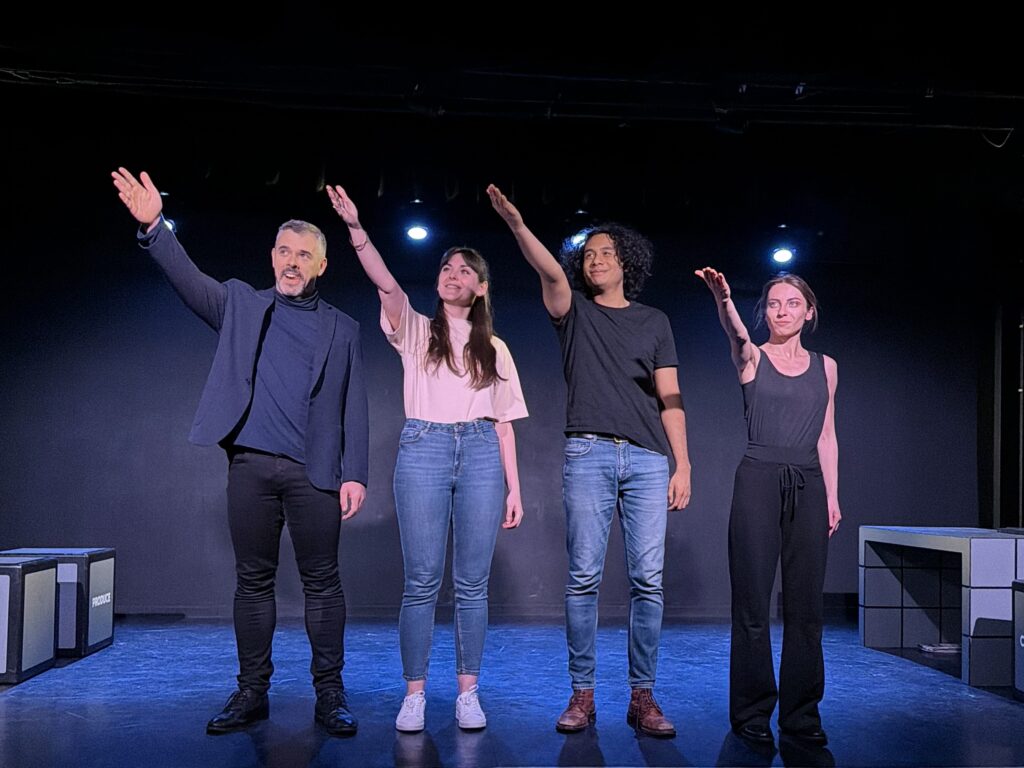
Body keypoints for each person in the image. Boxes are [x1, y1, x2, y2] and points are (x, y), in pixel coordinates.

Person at [112, 168, 368, 737]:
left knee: (323, 583)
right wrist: (154, 225)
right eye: (284, 251)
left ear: (322, 265)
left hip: (317, 472)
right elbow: (186, 278)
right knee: (252, 581)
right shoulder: (240, 305)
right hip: (250, 466)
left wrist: (357, 473)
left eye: (305, 254)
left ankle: (331, 695)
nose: (292, 262)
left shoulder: (343, 329)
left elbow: (355, 405)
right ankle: (252, 691)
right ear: (272, 256)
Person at [488, 185, 690, 738]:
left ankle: (642, 697)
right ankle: (582, 694)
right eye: (588, 255)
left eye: (605, 253)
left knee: (648, 579)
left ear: (625, 262)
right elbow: (551, 274)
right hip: (589, 453)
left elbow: (670, 398)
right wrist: (517, 224)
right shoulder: (571, 310)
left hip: (649, 459)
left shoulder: (655, 321)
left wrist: (684, 464)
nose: (595, 260)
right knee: (583, 579)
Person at [326, 184, 527, 733]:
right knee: (420, 580)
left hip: (483, 451)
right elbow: (386, 282)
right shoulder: (416, 328)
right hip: (425, 447)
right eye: (447, 268)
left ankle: (468, 692)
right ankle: (414, 693)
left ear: (480, 287)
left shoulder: (496, 347)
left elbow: (504, 423)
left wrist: (515, 488)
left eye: (464, 270)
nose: (452, 274)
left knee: (472, 583)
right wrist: (357, 229)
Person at [695, 267, 840, 747]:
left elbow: (826, 434)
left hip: (810, 485)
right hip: (758, 479)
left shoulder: (828, 367)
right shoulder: (753, 358)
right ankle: (752, 711)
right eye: (774, 304)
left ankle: (801, 714)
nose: (782, 310)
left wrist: (833, 497)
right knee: (753, 602)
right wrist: (724, 300)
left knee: (806, 607)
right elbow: (736, 334)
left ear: (809, 311)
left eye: (792, 303)